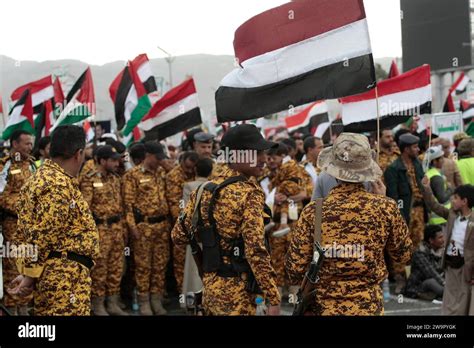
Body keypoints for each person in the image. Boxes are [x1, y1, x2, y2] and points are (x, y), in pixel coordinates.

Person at [286, 133, 412, 315]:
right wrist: (384, 204)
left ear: (334, 171)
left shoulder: (314, 211)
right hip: (369, 307)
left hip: (324, 308)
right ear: (366, 172)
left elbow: (294, 269)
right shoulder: (385, 207)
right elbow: (403, 255)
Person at [171, 124, 281, 315]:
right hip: (239, 294)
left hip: (211, 289)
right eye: (257, 153)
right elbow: (255, 250)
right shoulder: (249, 194)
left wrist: (211, 239)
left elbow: (178, 235)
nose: (264, 158)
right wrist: (273, 296)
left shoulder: (205, 189)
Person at [9, 125, 99, 316]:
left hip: (58, 273)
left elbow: (24, 233)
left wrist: (28, 273)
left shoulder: (41, 178)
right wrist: (29, 275)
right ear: (79, 153)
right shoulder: (57, 184)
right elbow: (44, 235)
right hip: (64, 277)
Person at [80, 145, 128, 316]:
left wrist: (123, 228)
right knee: (99, 269)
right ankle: (98, 304)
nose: (117, 163)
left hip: (116, 229)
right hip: (100, 229)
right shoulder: (89, 179)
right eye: (113, 160)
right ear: (102, 160)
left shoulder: (116, 179)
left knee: (116, 268)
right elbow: (85, 209)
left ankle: (113, 302)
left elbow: (121, 206)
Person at [123, 142, 170, 315]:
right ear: (148, 155)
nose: (160, 161)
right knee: (143, 266)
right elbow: (127, 205)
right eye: (157, 158)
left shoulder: (161, 172)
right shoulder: (132, 175)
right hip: (143, 227)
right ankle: (143, 302)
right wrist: (132, 227)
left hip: (162, 226)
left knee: (160, 265)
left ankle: (156, 300)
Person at [421, 180, 474, 315]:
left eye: (455, 198)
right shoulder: (451, 215)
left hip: (466, 267)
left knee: (464, 299)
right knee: (449, 299)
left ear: (465, 201)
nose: (452, 200)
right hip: (450, 264)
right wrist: (427, 188)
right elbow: (434, 205)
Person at [385, 132, 426, 294]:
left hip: (419, 210)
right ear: (406, 149)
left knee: (417, 244)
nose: (417, 149)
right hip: (404, 212)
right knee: (401, 245)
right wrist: (399, 217)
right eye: (414, 147)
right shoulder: (393, 169)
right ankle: (401, 278)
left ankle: (414, 278)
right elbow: (394, 197)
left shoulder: (418, 164)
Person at [0, 130, 36, 315]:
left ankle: (25, 307)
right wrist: (22, 206)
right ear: (15, 144)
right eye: (26, 143)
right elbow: (2, 196)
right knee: (13, 266)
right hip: (12, 224)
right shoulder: (5, 165)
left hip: (31, 226)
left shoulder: (32, 165)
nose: (30, 147)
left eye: (31, 143)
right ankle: (12, 308)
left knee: (29, 263)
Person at [165, 151, 199, 293]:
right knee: (180, 263)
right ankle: (183, 296)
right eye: (187, 168)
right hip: (181, 225)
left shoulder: (195, 174)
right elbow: (175, 203)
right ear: (182, 162)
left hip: (195, 226)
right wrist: (185, 222)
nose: (190, 171)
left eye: (193, 168)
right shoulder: (173, 176)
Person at [405, 225, 445, 300]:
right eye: (440, 237)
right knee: (434, 284)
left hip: (436, 279)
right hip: (419, 285)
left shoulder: (440, 250)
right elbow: (431, 272)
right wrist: (445, 284)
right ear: (431, 240)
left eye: (443, 237)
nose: (443, 240)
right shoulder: (420, 253)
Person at [425, 146, 453, 225]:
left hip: (435, 217)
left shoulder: (428, 174)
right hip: (441, 218)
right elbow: (442, 198)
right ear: (434, 161)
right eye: (441, 158)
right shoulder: (436, 177)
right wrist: (450, 189)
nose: (443, 160)